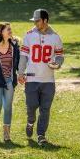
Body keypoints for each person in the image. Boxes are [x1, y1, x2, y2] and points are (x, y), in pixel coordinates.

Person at [18, 9, 64, 146]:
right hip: (31, 79)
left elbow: (60, 55)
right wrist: (21, 72)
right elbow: (23, 56)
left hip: (48, 80)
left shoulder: (55, 37)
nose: (35, 23)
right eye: (35, 21)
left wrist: (57, 63)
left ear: (45, 20)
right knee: (31, 106)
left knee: (45, 109)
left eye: (37, 20)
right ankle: (30, 121)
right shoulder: (29, 35)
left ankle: (41, 135)